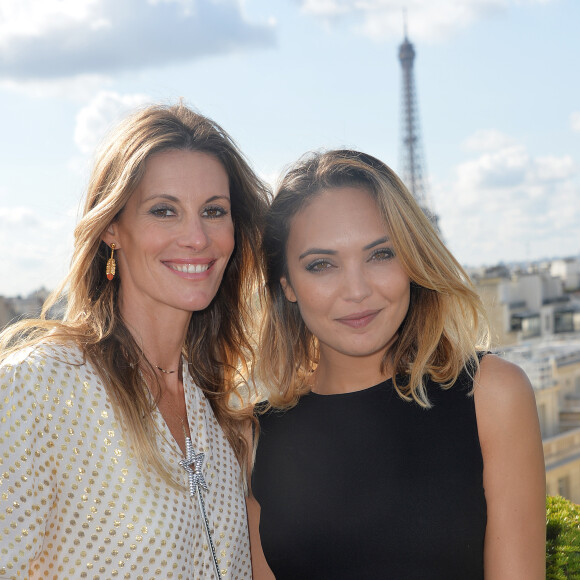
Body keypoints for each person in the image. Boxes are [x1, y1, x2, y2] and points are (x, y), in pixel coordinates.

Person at [248, 150, 546, 580]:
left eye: (380, 255)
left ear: (412, 260)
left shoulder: (491, 394)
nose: (356, 290)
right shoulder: (257, 433)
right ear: (287, 286)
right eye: (322, 264)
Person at [0, 102, 269, 579]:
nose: (196, 237)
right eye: (164, 211)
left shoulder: (221, 411)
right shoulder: (36, 387)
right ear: (111, 229)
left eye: (214, 211)